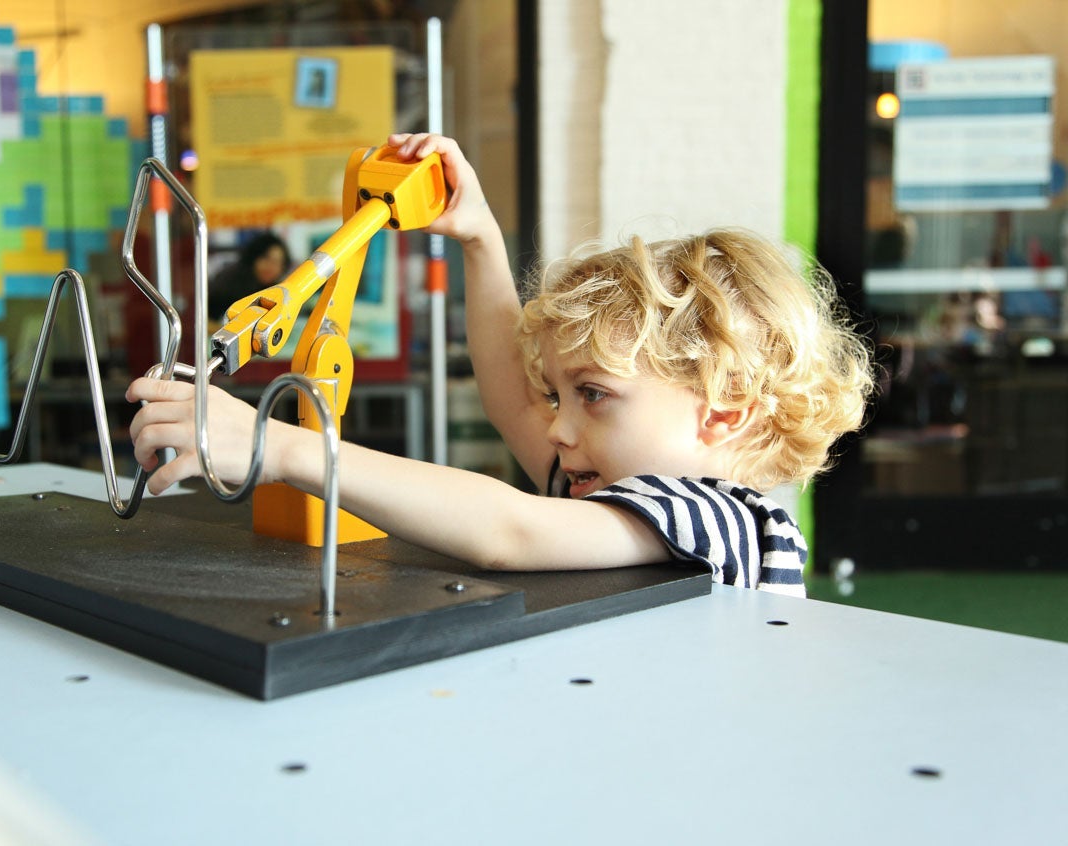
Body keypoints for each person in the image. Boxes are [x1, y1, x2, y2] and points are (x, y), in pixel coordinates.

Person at [128, 134, 875, 597]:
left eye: (592, 395)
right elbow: (512, 397)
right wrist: (479, 234)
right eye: (560, 395)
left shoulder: (720, 519)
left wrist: (285, 448)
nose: (554, 427)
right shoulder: (613, 482)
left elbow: (509, 531)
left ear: (723, 408)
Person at [208, 232, 291, 324]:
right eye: (266, 258)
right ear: (253, 257)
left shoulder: (276, 291)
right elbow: (207, 320)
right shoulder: (229, 282)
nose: (271, 267)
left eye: (277, 262)